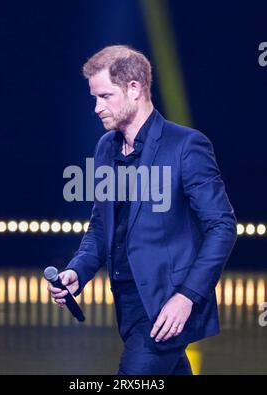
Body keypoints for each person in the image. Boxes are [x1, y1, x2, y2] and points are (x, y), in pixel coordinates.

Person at [48, 45, 237, 375]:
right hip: (127, 302)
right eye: (95, 98)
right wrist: (78, 271)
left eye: (105, 96)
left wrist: (187, 296)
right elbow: (101, 225)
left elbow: (222, 226)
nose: (96, 108)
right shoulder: (106, 148)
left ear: (134, 88)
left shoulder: (185, 146)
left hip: (167, 302)